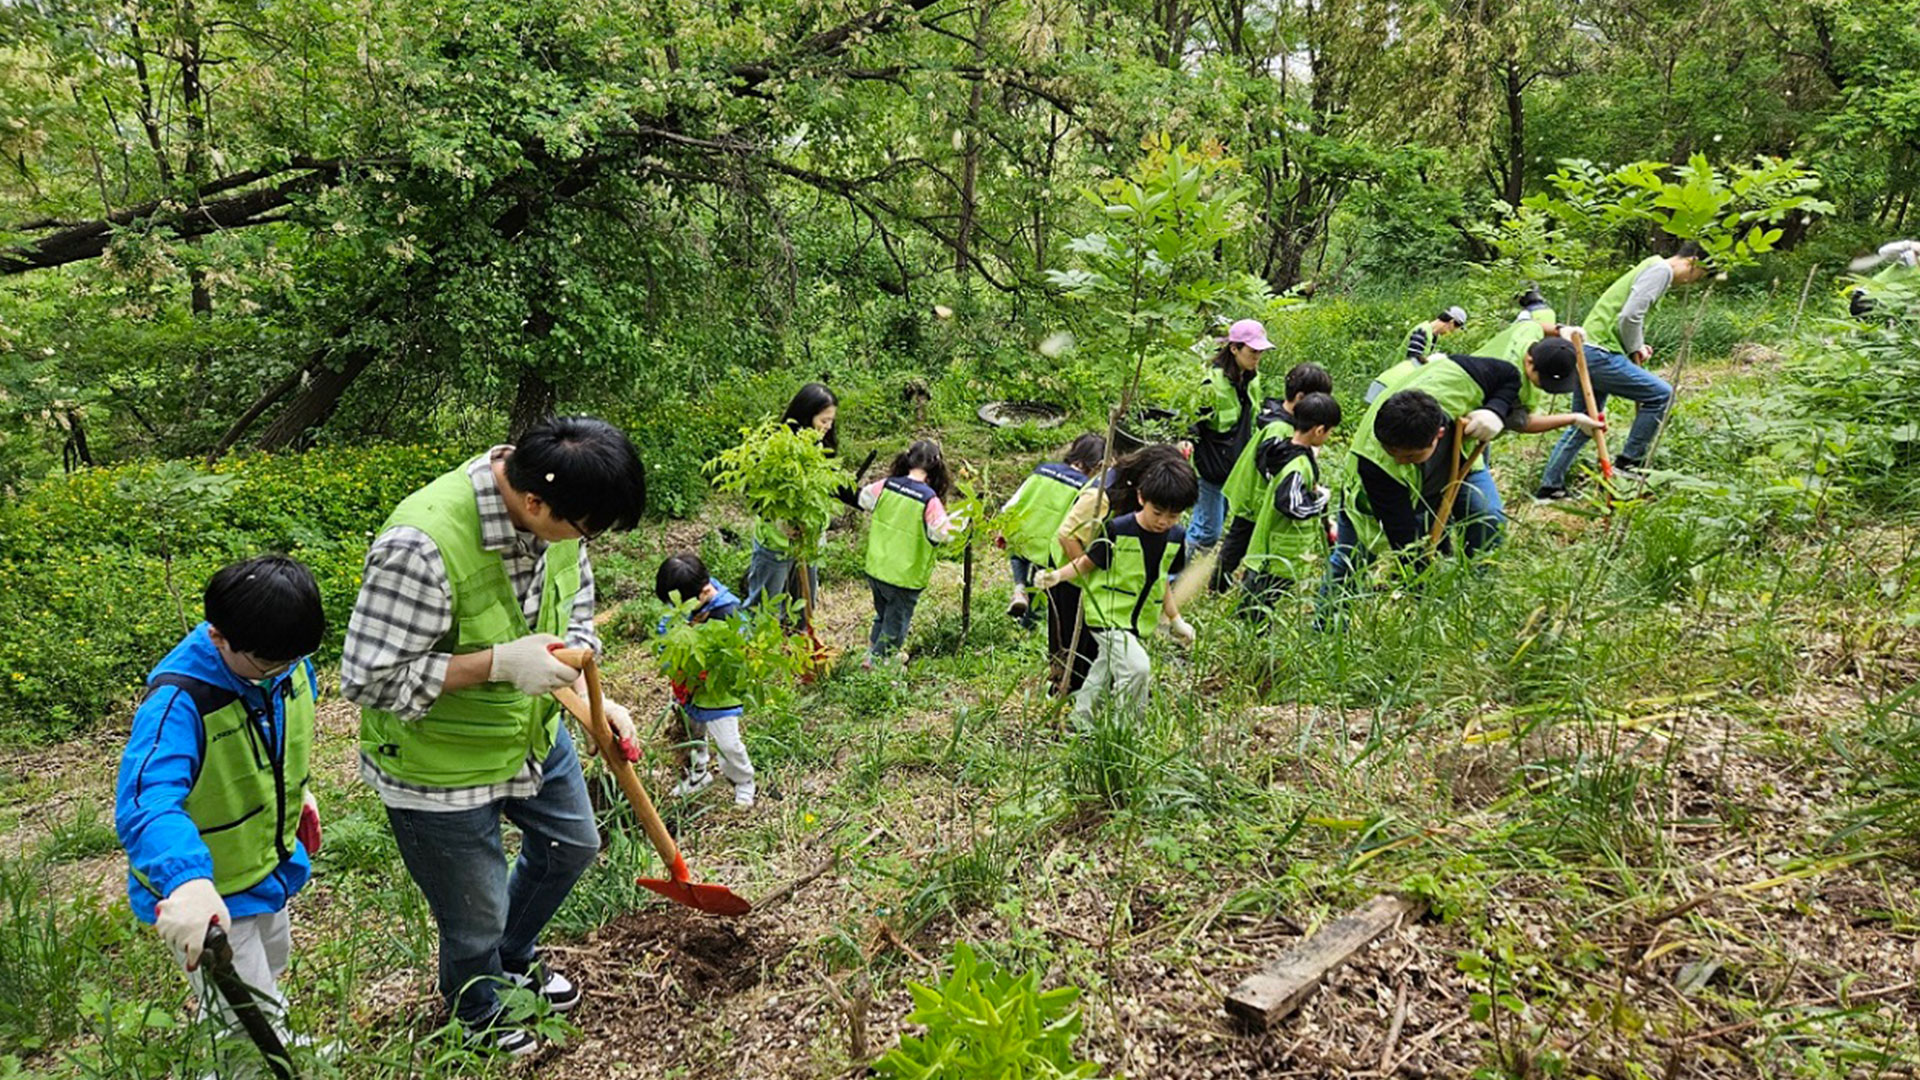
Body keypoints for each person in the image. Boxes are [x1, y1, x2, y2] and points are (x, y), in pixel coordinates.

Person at [342, 415, 647, 1055]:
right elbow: (368, 679)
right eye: (585, 529)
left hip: (527, 736)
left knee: (571, 844)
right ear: (533, 501)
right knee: (473, 911)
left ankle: (507, 958)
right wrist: (498, 664)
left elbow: (578, 613)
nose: (586, 542)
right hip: (438, 763)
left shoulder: (562, 513)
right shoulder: (420, 544)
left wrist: (593, 694)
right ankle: (474, 1005)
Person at [115, 555, 326, 1045]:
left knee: (270, 969)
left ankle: (275, 1047)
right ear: (218, 638)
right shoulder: (178, 701)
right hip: (212, 890)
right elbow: (148, 799)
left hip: (265, 866)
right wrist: (186, 880)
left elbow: (274, 739)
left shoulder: (284, 660)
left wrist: (297, 792)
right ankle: (252, 1064)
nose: (283, 672)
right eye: (269, 664)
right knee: (244, 1017)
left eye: (294, 659)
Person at [1328, 344, 1602, 589]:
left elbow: (1508, 374)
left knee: (1488, 517)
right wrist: (1423, 583)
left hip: (1460, 464)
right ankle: (1327, 628)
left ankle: (1478, 589)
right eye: (1394, 453)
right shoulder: (1379, 464)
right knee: (1350, 561)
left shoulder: (1457, 377)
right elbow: (1404, 539)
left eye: (1409, 456)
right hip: (1387, 494)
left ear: (1438, 434)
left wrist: (1494, 410)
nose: (1398, 460)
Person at [1034, 452, 1199, 723]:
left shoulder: (1175, 537)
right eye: (1158, 513)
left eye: (1173, 516)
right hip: (1106, 614)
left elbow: (1162, 579)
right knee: (1137, 668)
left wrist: (1175, 618)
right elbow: (1084, 557)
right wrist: (1058, 576)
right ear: (1141, 496)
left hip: (1135, 617)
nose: (1163, 521)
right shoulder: (1117, 524)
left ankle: (1080, 721)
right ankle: (1124, 728)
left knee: (1103, 668)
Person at [1537, 242, 1706, 498]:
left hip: (1588, 349)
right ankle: (1629, 463)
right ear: (1694, 262)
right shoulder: (1661, 270)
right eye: (1698, 276)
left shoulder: (1652, 264)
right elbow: (1630, 316)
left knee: (1585, 423)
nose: (1691, 282)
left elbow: (1626, 318)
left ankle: (1550, 487)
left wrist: (1636, 346)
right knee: (1661, 394)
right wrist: (1635, 347)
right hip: (1599, 352)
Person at [1214, 362, 1335, 586]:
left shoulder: (1283, 419)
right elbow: (1272, 465)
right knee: (1237, 543)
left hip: (1261, 500)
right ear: (1300, 397)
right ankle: (1218, 583)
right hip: (1255, 499)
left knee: (1242, 541)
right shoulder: (1279, 428)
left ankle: (1226, 581)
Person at [742, 382, 852, 627]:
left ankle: (801, 655)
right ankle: (759, 656)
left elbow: (835, 487)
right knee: (764, 610)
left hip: (808, 544)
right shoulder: (777, 446)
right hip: (776, 543)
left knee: (805, 607)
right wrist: (779, 521)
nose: (828, 427)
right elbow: (755, 493)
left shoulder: (822, 447)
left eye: (831, 421)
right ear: (805, 415)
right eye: (823, 421)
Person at [655, 552, 756, 807]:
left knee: (728, 743)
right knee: (692, 734)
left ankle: (743, 780)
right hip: (688, 688)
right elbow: (664, 635)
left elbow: (741, 651)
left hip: (717, 693)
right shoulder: (681, 606)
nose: (674, 608)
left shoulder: (728, 611)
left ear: (704, 591)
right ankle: (699, 774)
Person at [858, 438, 963, 666]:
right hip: (904, 575)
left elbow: (864, 498)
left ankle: (872, 655)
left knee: (883, 616)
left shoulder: (886, 484)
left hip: (877, 567)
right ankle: (878, 665)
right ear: (936, 467)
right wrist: (959, 525)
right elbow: (941, 533)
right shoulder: (929, 499)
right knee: (896, 626)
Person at [1240, 393, 1342, 607]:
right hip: (1275, 556)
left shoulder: (1286, 451)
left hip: (1272, 552)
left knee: (1256, 605)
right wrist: (1321, 500)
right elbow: (1291, 504)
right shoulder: (1296, 465)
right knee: (1256, 608)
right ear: (1320, 430)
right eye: (1330, 432)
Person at [997, 432, 1106, 625]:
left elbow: (1015, 501)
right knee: (1041, 583)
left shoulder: (1043, 470)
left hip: (1023, 534)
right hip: (1049, 547)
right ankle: (1027, 628)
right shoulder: (1085, 488)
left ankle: (1019, 588)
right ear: (1098, 465)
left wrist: (1003, 527)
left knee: (1017, 556)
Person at [1187, 319, 1272, 553]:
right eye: (1253, 352)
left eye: (1260, 352)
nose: (1257, 358)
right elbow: (1192, 424)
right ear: (1234, 348)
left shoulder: (1251, 378)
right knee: (1208, 530)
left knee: (1211, 524)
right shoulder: (1212, 384)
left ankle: (1191, 577)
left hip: (1235, 464)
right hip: (1212, 465)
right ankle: (1174, 578)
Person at [1366, 306, 1469, 403]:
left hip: (1403, 383)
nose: (1451, 332)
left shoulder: (1433, 336)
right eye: (1454, 328)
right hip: (1394, 381)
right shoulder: (1421, 332)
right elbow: (1414, 361)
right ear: (1451, 322)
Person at [1851, 239, 1918, 318]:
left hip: (1888, 310)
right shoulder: (1910, 260)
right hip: (1868, 299)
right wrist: (1909, 245)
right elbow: (1884, 252)